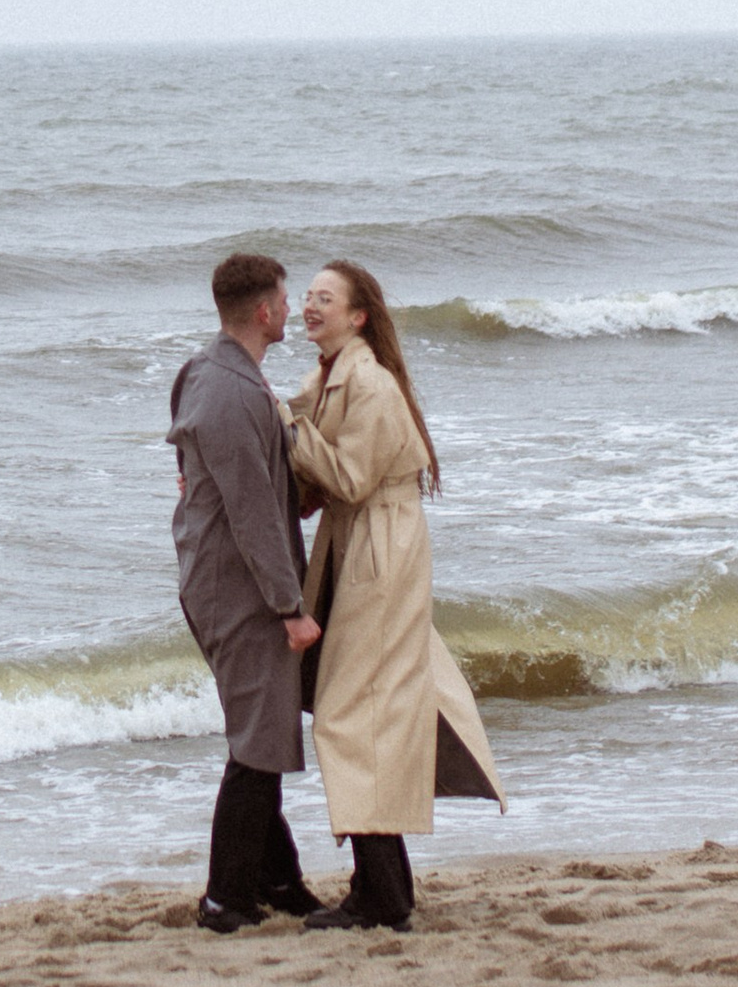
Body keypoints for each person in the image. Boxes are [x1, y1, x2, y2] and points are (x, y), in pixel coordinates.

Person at [287, 257, 504, 931]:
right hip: (361, 544)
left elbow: (347, 479)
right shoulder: (326, 378)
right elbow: (314, 487)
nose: (311, 306)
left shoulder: (371, 385)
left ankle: (380, 897)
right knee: (361, 712)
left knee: (356, 714)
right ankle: (387, 889)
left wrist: (284, 427)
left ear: (358, 316)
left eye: (327, 298)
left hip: (381, 548)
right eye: (308, 296)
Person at [169, 251, 322, 931]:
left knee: (259, 737)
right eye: (287, 300)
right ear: (264, 311)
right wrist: (289, 609)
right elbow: (253, 513)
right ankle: (226, 898)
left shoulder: (207, 371)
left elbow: (189, 462)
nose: (293, 310)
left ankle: (280, 883)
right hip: (237, 589)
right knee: (258, 746)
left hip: (217, 577)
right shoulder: (230, 390)